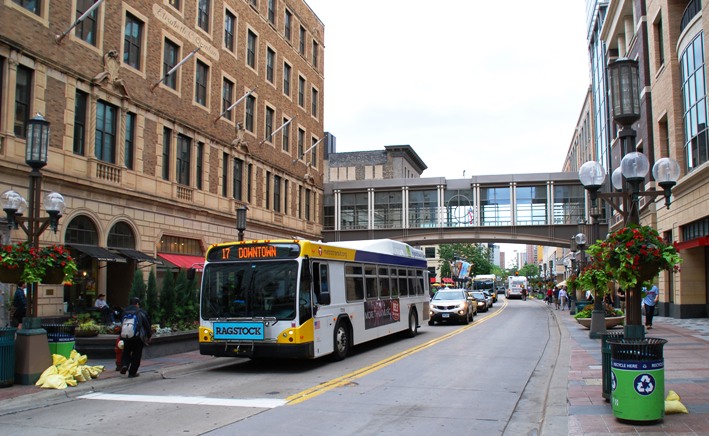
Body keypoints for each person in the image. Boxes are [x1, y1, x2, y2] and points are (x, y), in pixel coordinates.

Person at [120, 297, 152, 378]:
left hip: (126, 336)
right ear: (137, 304)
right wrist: (149, 336)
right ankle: (132, 372)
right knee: (136, 354)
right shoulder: (140, 312)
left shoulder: (124, 312)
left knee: (126, 351)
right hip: (138, 337)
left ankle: (125, 365)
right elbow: (147, 325)